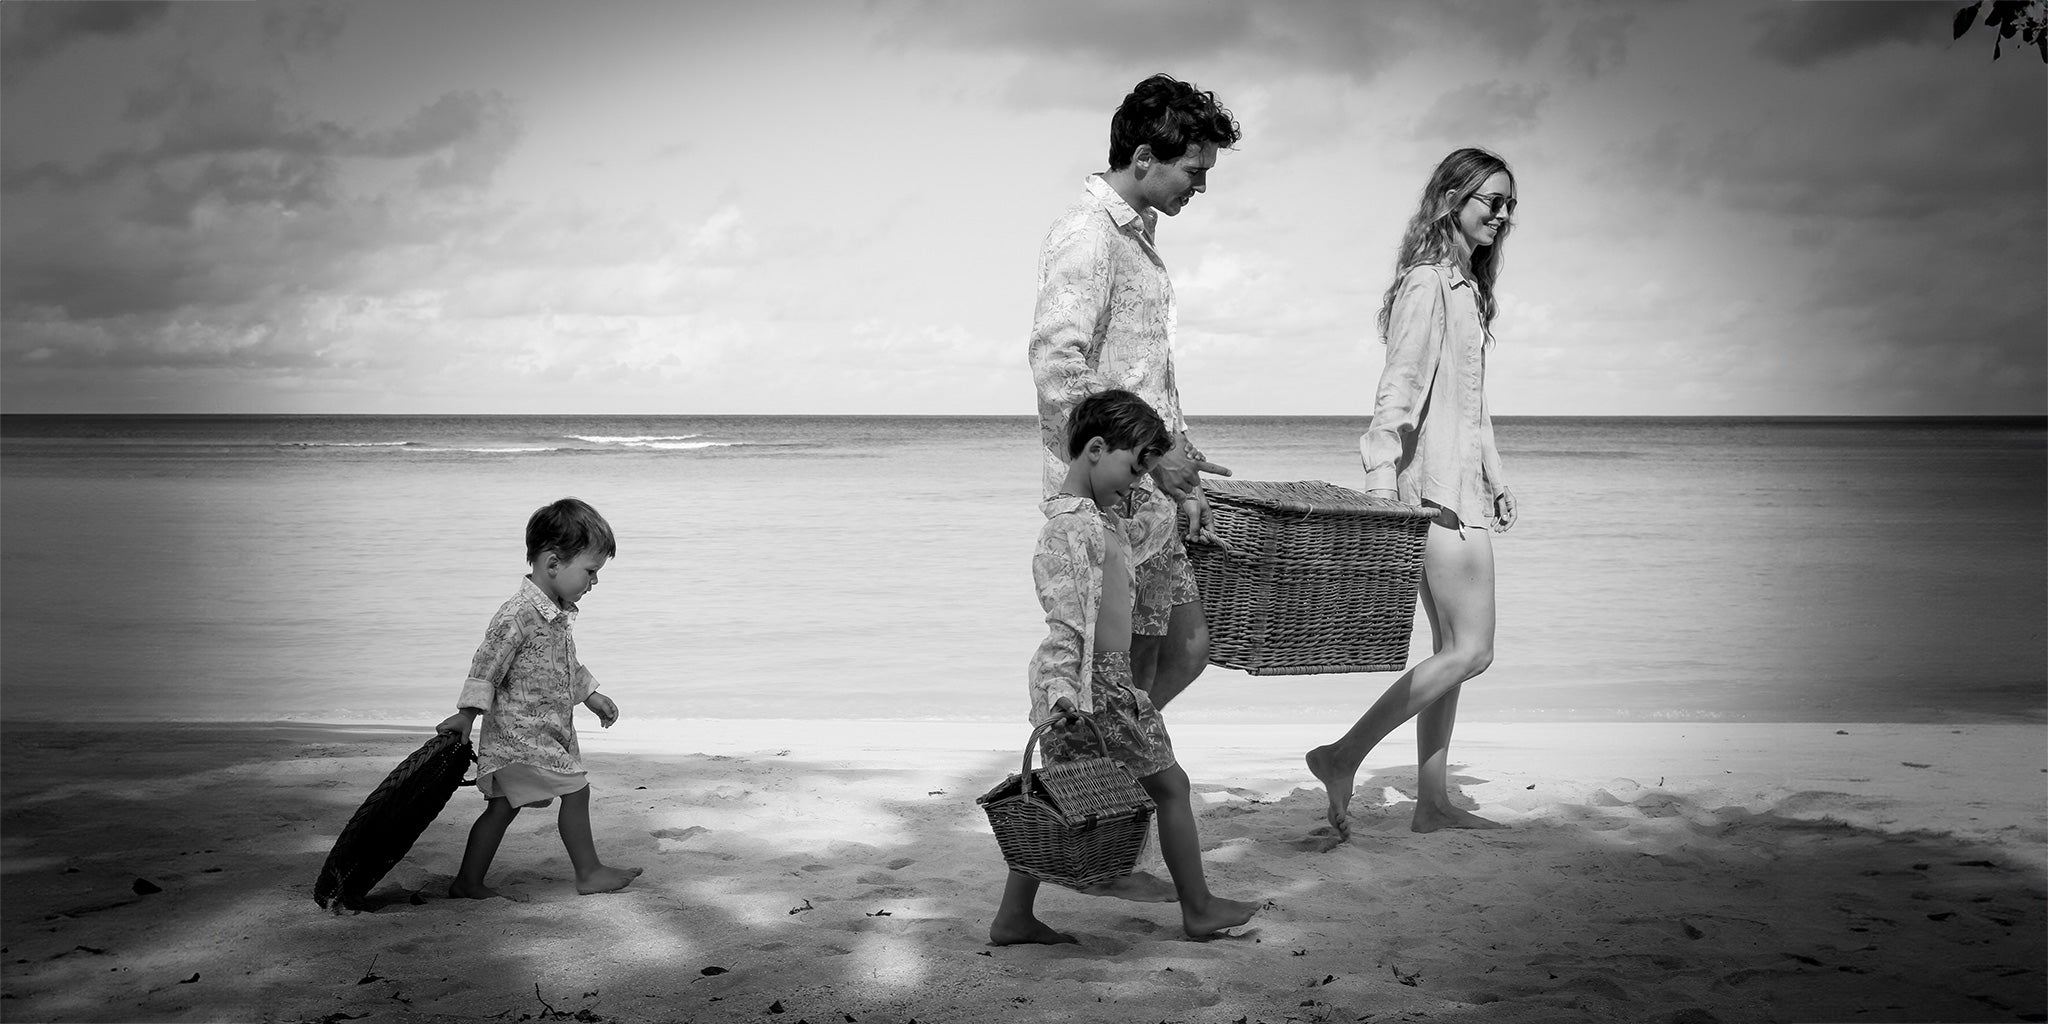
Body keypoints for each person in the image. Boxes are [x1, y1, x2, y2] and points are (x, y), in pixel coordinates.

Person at [1305, 148, 1522, 840]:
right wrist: (1377, 485)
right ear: (1451, 199)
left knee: (1450, 650)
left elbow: (1471, 405)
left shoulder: (1467, 290)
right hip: (1431, 494)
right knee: (1473, 650)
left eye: (1510, 204)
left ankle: (1431, 804)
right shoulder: (1427, 285)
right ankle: (1342, 755)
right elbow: (1397, 389)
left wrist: (1495, 474)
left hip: (1462, 489)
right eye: (1491, 200)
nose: (1502, 214)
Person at [991, 390, 1261, 945]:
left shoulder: (1102, 517)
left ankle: (1013, 918)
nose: (1138, 481)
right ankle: (1199, 908)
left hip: (1106, 685)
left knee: (1060, 797)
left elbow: (1143, 548)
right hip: (1094, 688)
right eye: (1134, 465)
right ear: (1094, 449)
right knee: (1169, 787)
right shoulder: (1068, 529)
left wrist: (1189, 502)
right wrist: (1063, 691)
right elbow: (1064, 621)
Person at [1028, 72, 1241, 713]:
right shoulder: (1088, 234)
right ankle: (1111, 794)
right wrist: (1154, 451)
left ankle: (1119, 783)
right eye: (1193, 170)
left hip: (1147, 492)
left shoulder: (1136, 240)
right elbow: (1056, 368)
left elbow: (1145, 375)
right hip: (1104, 497)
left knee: (1185, 649)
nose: (1201, 186)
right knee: (1118, 671)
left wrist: (1183, 471)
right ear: (1144, 157)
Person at [437, 497, 643, 897]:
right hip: (522, 736)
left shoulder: (555, 612)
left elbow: (564, 663)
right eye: (590, 571)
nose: (594, 582)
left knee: (503, 807)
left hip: (540, 733)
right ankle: (589, 873)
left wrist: (590, 696)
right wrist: (465, 715)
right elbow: (486, 665)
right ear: (553, 563)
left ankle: (467, 882)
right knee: (576, 790)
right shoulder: (516, 615)